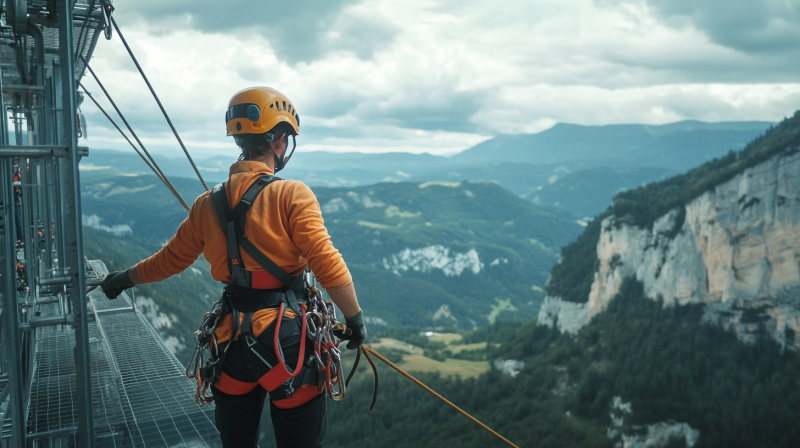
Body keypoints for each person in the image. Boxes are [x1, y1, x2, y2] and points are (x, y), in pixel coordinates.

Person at [100, 87, 367, 448]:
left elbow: (170, 260)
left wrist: (123, 279)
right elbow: (327, 263)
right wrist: (354, 321)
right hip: (285, 343)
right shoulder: (291, 194)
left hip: (231, 343)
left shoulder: (206, 204)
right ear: (280, 140)